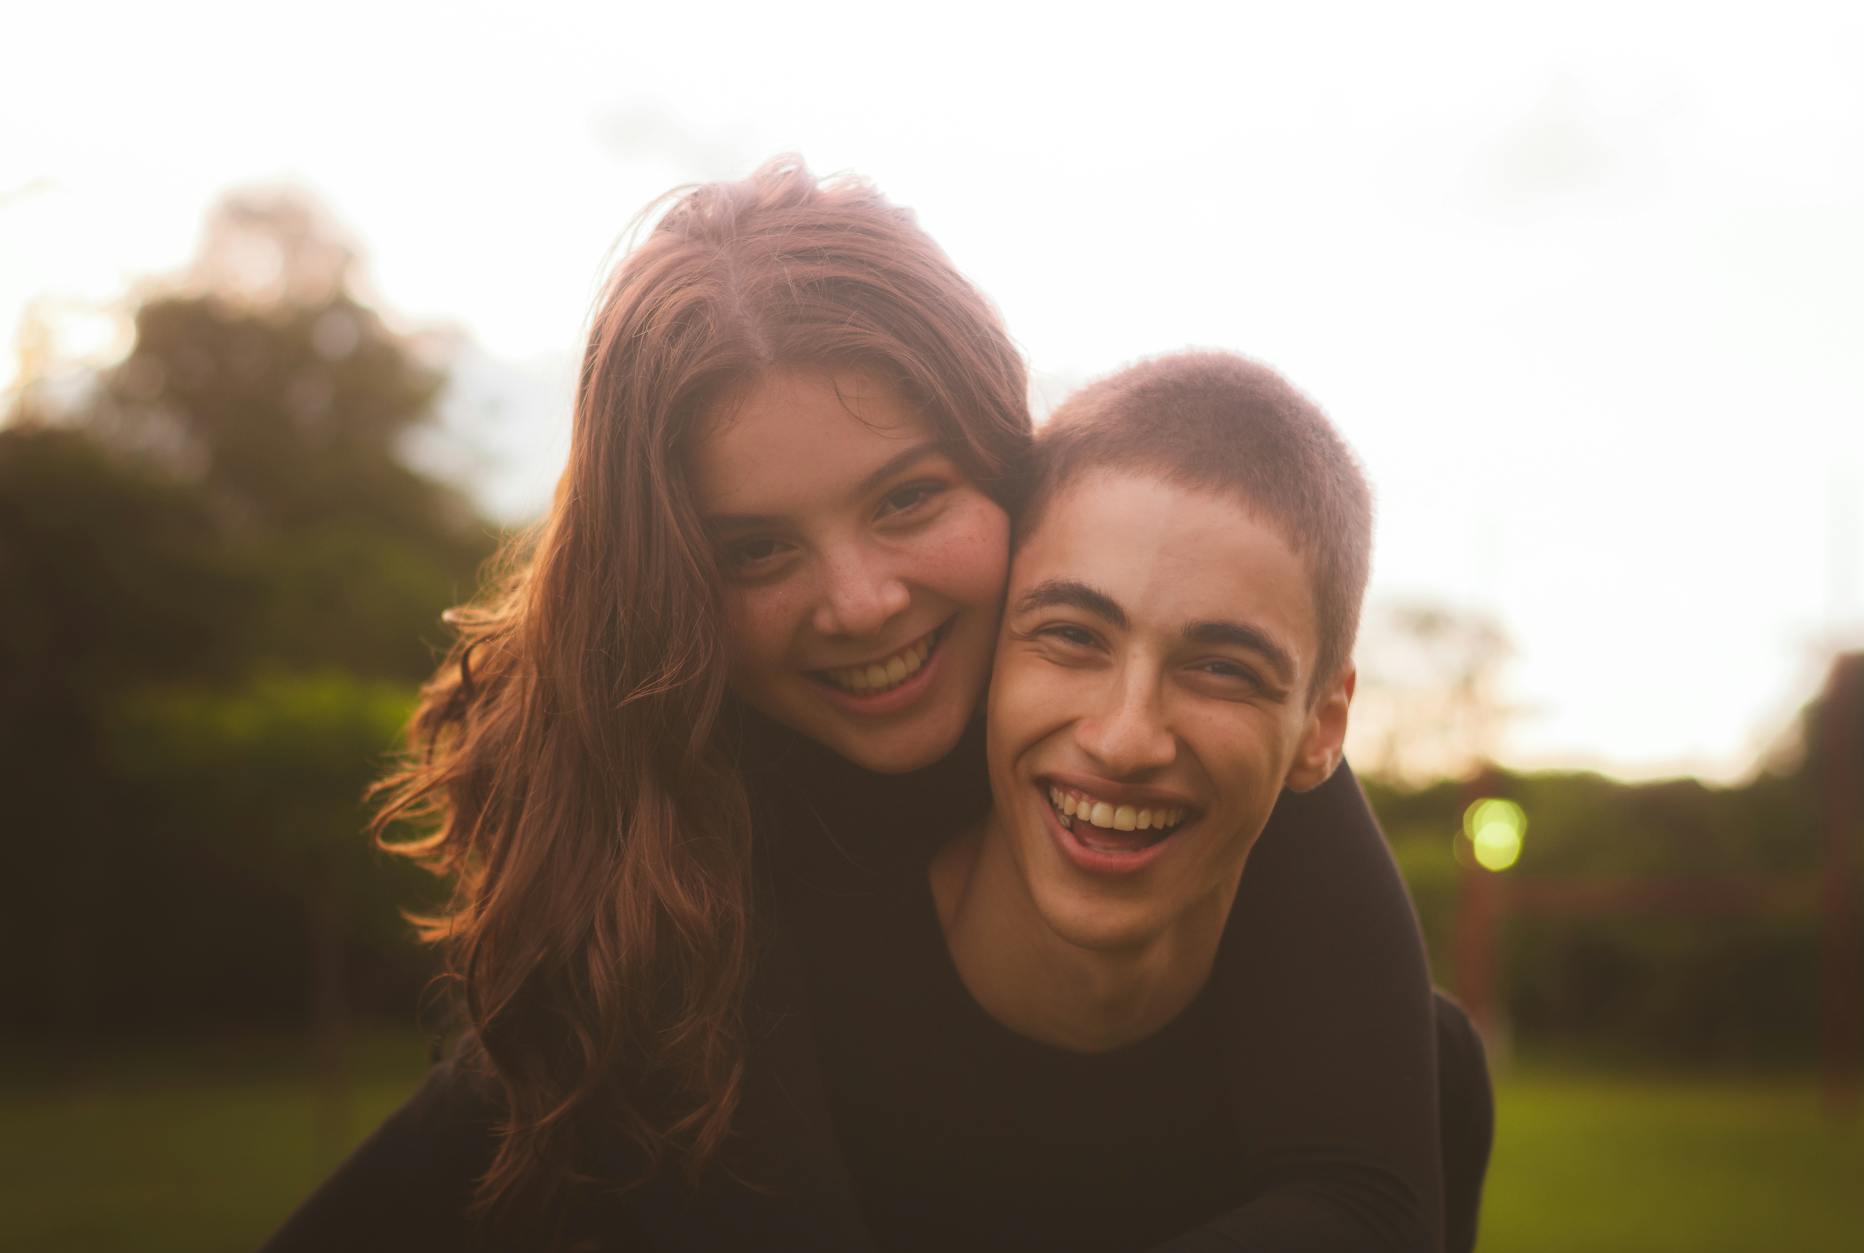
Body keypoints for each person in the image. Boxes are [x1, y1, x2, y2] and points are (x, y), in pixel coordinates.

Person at [263, 160, 1463, 1251]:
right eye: (754, 551)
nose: (859, 602)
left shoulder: (1161, 712)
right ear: (670, 582)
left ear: (1014, 471)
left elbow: (1370, 1192)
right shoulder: (671, 865)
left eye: (906, 499)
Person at [802, 350, 1492, 1252]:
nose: (1126, 738)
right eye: (1072, 635)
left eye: (1221, 668)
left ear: (1322, 728)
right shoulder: (771, 1002)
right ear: (984, 657)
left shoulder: (1410, 1086)